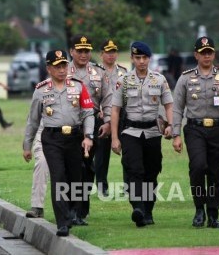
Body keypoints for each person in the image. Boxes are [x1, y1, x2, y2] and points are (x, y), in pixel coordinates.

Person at [172, 36, 219, 229]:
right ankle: (199, 209)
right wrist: (175, 134)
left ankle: (213, 214)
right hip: (195, 129)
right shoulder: (186, 78)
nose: (207, 56)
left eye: (210, 52)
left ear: (214, 54)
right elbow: (177, 107)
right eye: (203, 53)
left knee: (214, 172)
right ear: (196, 54)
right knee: (198, 167)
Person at [23, 50, 95, 237]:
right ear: (49, 68)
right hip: (52, 139)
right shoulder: (41, 90)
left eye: (64, 65)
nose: (62, 70)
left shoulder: (78, 87)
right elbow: (33, 120)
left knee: (75, 178)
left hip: (74, 137)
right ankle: (62, 222)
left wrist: (88, 136)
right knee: (58, 177)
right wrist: (27, 146)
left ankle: (71, 211)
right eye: (57, 67)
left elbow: (88, 113)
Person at [111, 41, 173, 227]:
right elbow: (115, 110)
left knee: (151, 173)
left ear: (149, 59)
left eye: (144, 57)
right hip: (131, 132)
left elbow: (169, 105)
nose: (141, 61)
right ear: (132, 58)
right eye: (137, 58)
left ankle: (148, 210)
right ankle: (138, 208)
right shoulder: (124, 80)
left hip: (153, 132)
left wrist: (171, 125)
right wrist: (114, 138)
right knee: (134, 170)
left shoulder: (159, 79)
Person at [68, 34, 112, 225]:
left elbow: (108, 98)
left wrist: (108, 121)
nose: (84, 55)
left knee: (87, 168)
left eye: (87, 51)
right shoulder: (62, 70)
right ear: (72, 52)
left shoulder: (98, 72)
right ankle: (69, 209)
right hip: (69, 125)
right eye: (80, 51)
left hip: (92, 124)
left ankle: (81, 211)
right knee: (71, 168)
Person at [94, 40, 127, 197]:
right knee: (102, 153)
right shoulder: (95, 72)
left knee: (128, 151)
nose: (111, 55)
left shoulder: (123, 72)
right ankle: (102, 186)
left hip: (122, 117)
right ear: (101, 54)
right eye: (108, 52)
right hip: (103, 117)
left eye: (113, 52)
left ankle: (128, 185)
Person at [25, 122, 49, 218]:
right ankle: (37, 207)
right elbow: (32, 120)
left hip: (72, 133)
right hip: (45, 132)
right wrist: (27, 146)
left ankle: (73, 210)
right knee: (41, 163)